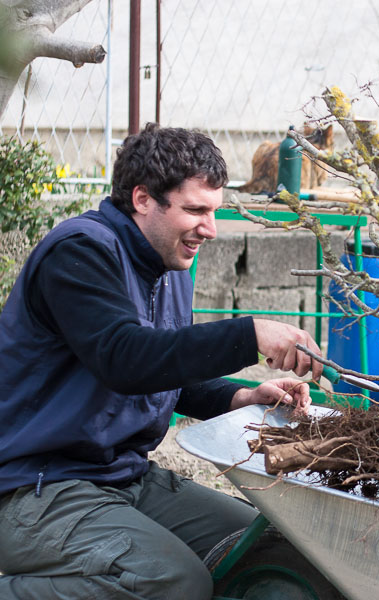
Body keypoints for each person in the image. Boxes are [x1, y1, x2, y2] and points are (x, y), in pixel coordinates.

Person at [0, 123, 324, 599]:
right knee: (169, 582)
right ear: (143, 198)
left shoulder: (170, 265)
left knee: (277, 550)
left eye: (213, 212)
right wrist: (249, 332)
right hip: (34, 489)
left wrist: (241, 394)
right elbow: (124, 360)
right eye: (195, 210)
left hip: (123, 477)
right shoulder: (80, 254)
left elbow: (163, 371)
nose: (210, 229)